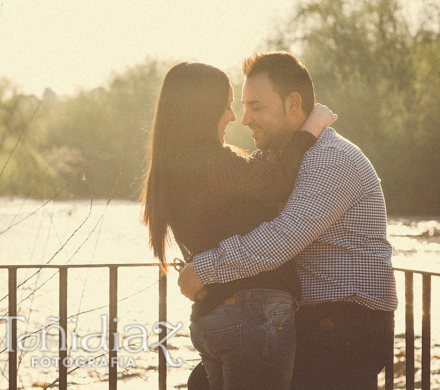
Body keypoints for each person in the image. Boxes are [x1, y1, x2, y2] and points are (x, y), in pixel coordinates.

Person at [177, 52, 398, 390]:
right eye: (243, 106)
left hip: (346, 326)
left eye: (257, 107)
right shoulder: (279, 159)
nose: (244, 119)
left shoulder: (331, 160)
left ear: (293, 104)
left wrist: (203, 270)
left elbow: (281, 238)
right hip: (304, 319)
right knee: (202, 382)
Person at [139, 62, 337, 389]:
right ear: (203, 112)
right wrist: (306, 133)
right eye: (227, 106)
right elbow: (275, 182)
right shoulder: (212, 162)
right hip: (251, 315)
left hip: (212, 318)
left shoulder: (171, 171)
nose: (232, 117)